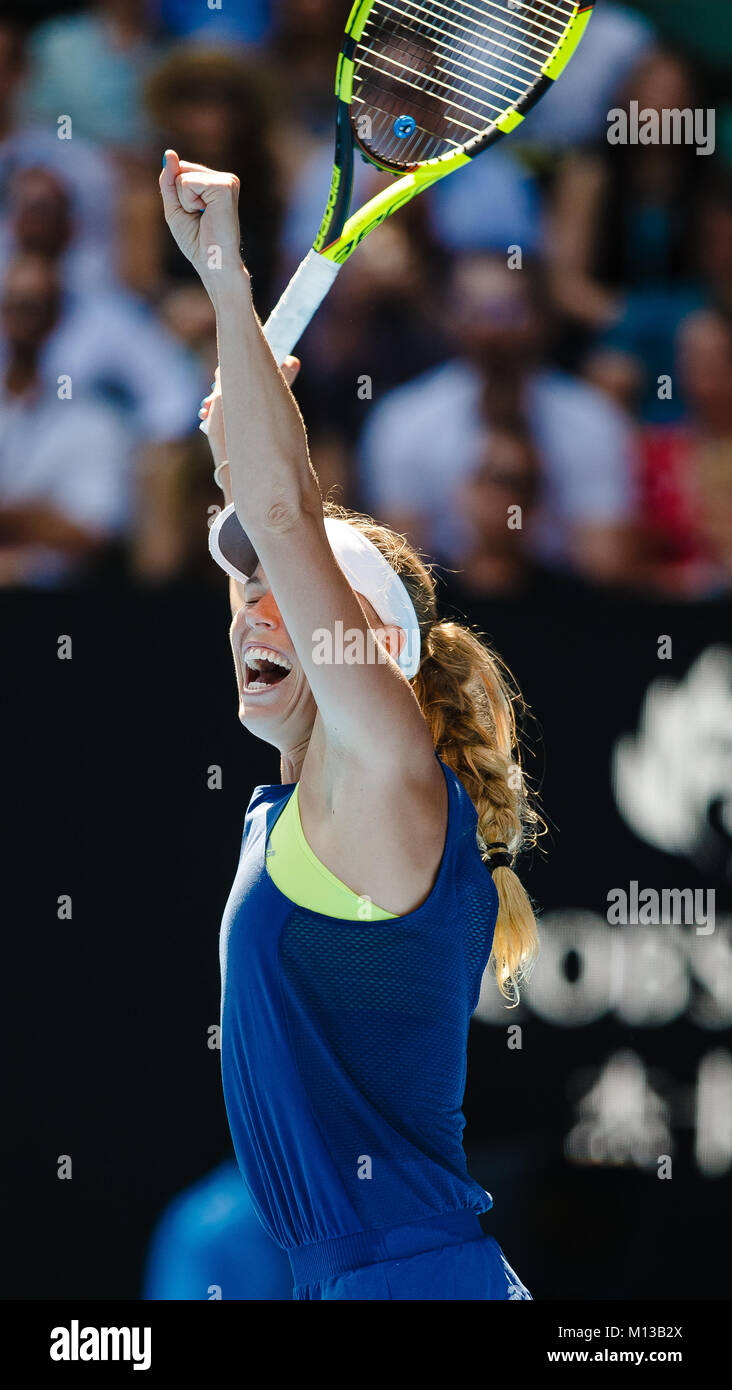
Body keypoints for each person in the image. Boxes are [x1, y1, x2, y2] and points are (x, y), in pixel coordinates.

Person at [159, 149, 539, 1301]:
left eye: (290, 598)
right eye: (247, 597)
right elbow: (258, 517)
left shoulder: (388, 775)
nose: (251, 619)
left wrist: (227, 278)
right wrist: (243, 426)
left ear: (372, 653)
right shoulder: (310, 795)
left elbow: (279, 510)